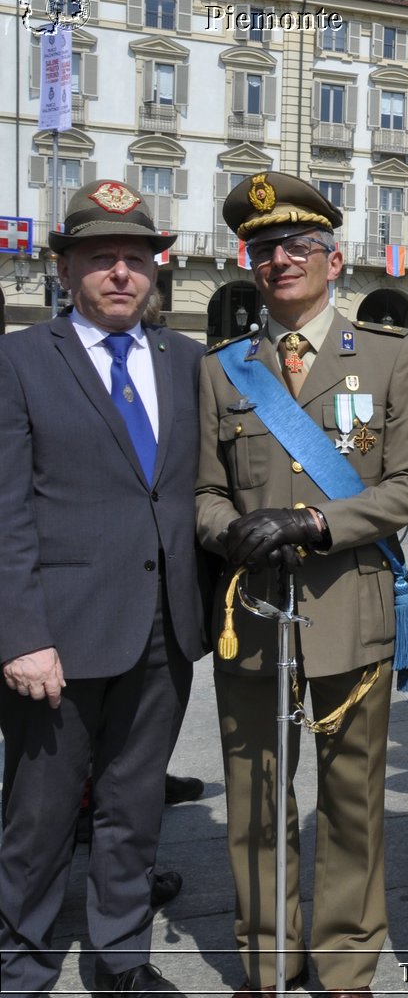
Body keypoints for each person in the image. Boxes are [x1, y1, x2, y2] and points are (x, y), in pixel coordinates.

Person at [195, 172, 408, 997]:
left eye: (297, 245)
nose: (278, 259)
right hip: (256, 617)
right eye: (263, 248)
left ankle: (343, 965)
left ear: (336, 258)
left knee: (352, 804)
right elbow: (205, 491)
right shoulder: (223, 370)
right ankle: (267, 957)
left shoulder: (391, 357)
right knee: (256, 799)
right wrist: (233, 531)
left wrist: (315, 524)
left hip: (349, 614)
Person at [0, 180, 207, 997]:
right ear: (65, 269)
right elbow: (6, 505)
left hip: (165, 629)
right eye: (100, 258)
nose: (121, 273)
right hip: (58, 633)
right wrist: (18, 632)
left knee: (134, 805)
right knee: (39, 815)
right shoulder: (19, 359)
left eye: (136, 258)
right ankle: (21, 955)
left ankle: (120, 956)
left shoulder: (188, 362)